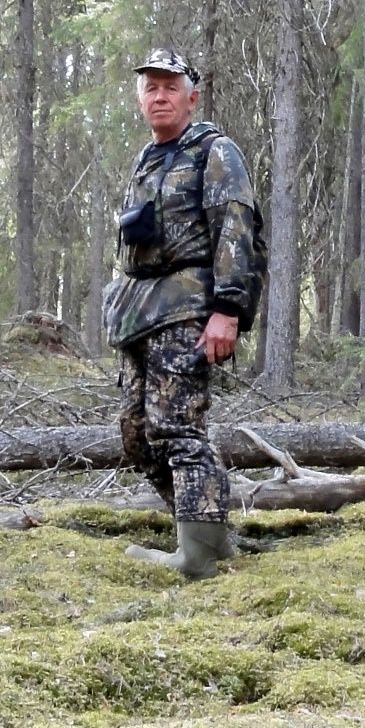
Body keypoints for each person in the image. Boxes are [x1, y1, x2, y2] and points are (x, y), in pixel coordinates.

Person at [103, 48, 264, 577]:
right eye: (150, 87)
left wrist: (228, 310)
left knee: (176, 426)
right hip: (142, 313)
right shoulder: (147, 159)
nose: (159, 96)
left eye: (170, 87)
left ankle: (200, 554)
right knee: (136, 431)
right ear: (140, 100)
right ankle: (205, 532)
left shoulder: (215, 152)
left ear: (192, 99)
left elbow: (236, 229)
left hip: (188, 309)